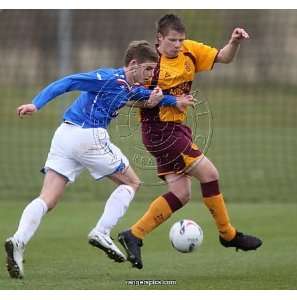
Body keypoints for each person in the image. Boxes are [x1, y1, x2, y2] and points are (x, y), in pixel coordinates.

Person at [4, 40, 194, 279]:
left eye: (152, 70)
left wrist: (171, 101)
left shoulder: (126, 85)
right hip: (88, 135)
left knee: (48, 199)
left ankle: (18, 241)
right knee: (131, 183)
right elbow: (69, 82)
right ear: (133, 64)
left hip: (64, 136)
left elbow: (143, 95)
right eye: (147, 69)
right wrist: (36, 104)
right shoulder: (107, 78)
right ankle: (102, 232)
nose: (150, 74)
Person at [118, 14, 263, 269]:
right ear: (159, 39)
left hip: (178, 129)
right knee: (210, 173)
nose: (177, 44)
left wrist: (234, 42)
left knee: (181, 194)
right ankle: (228, 234)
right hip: (159, 132)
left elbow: (224, 57)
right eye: (172, 40)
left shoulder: (190, 51)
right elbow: (127, 95)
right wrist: (155, 101)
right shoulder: (150, 64)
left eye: (180, 40)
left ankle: (134, 234)